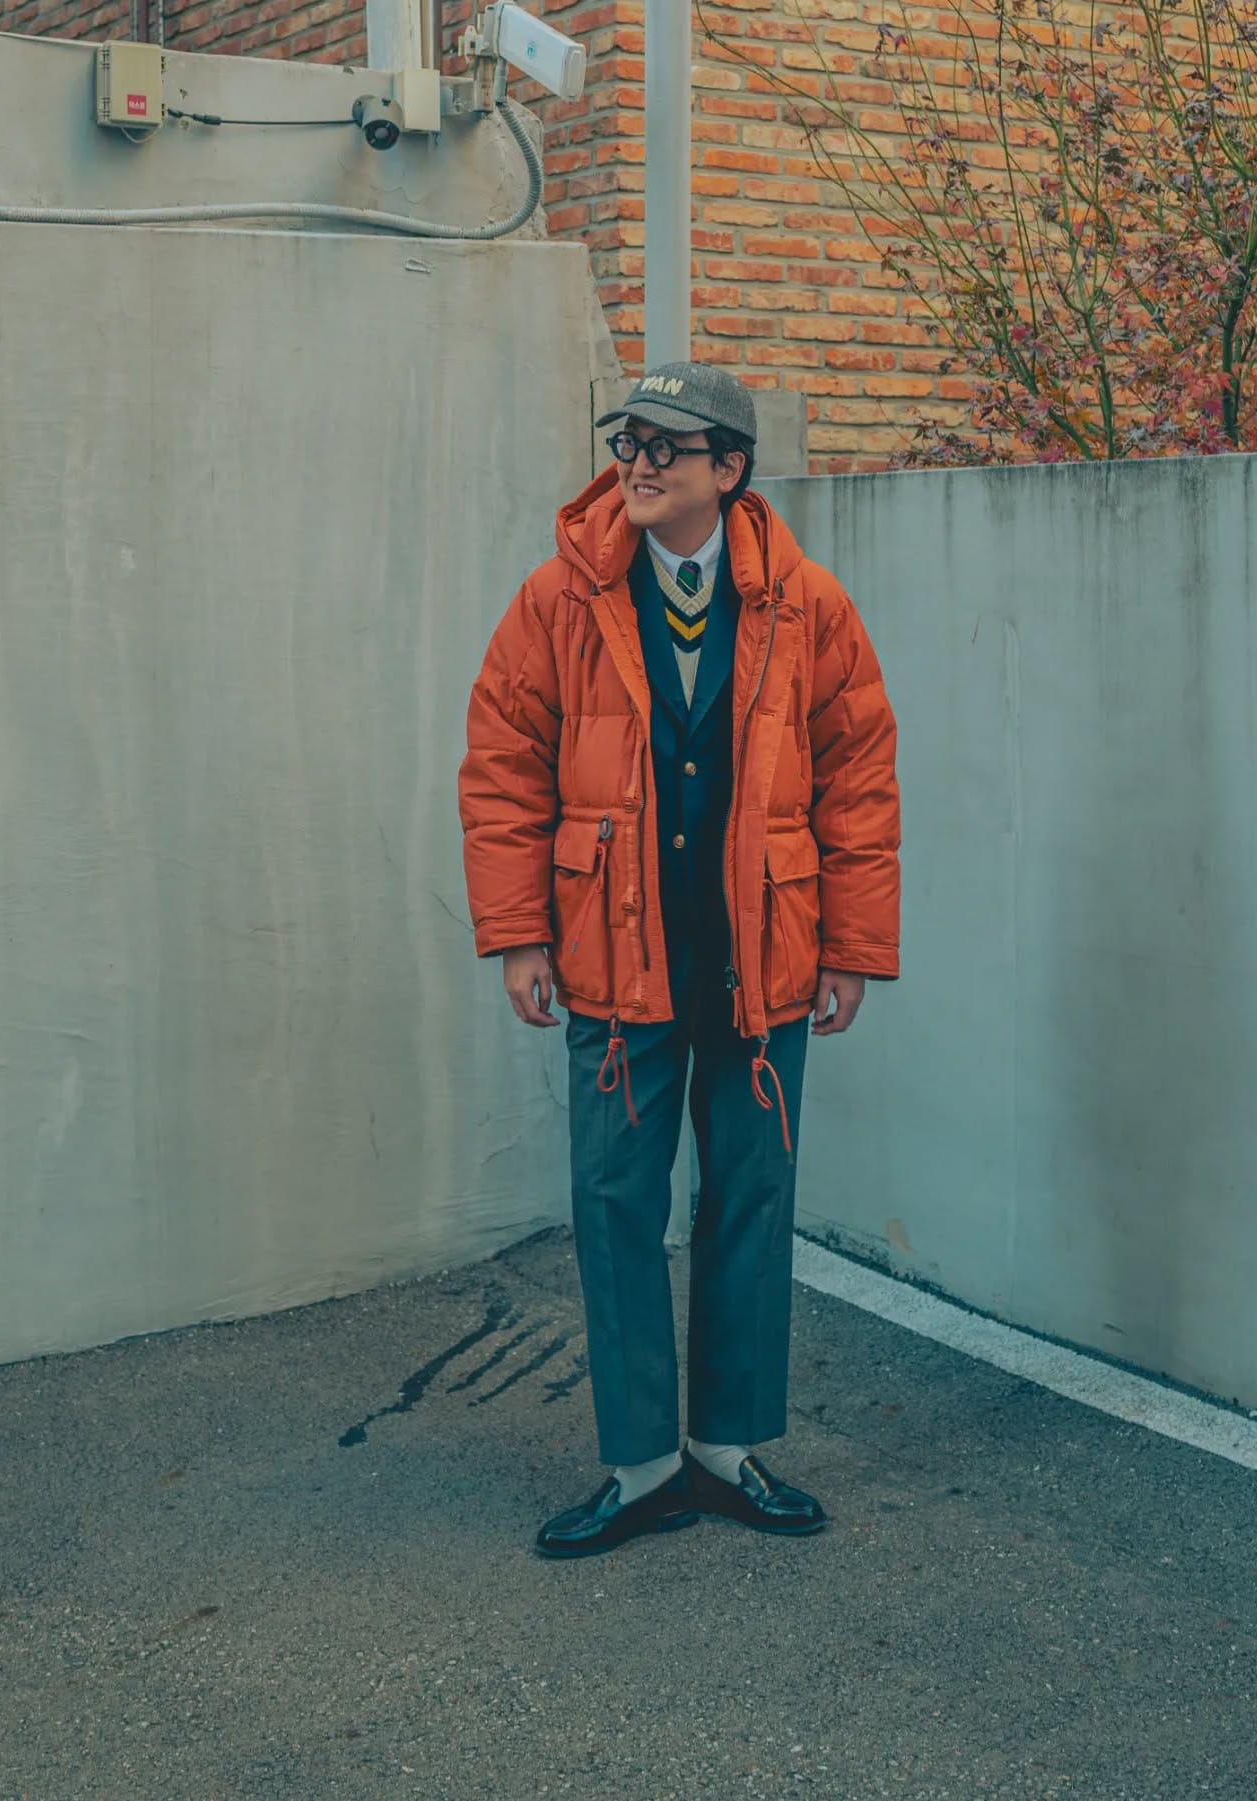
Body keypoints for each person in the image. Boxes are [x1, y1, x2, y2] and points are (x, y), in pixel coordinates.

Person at [458, 362, 900, 1558]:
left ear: (729, 468)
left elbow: (858, 776)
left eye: (667, 445)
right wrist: (518, 933)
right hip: (613, 954)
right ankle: (643, 1466)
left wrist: (853, 946)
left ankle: (726, 1450)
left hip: (765, 958)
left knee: (750, 1197)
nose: (638, 464)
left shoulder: (807, 603)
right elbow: (503, 766)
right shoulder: (560, 596)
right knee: (614, 1201)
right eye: (628, 442)